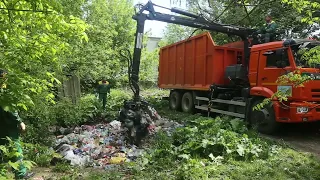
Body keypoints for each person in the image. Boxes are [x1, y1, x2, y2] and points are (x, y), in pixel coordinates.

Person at [0, 69, 34, 179]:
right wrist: (20, 122)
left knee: (2, 150)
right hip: (8, 127)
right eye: (4, 77)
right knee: (15, 150)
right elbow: (10, 109)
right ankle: (21, 175)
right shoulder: (5, 93)